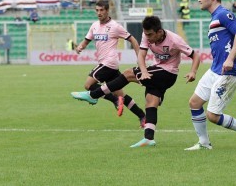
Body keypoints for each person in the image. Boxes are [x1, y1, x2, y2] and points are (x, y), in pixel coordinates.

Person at [72, 15, 200, 147]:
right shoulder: (146, 35)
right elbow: (141, 55)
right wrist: (144, 71)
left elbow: (195, 55)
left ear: (159, 32)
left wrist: (193, 72)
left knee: (128, 73)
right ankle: (148, 138)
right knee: (151, 101)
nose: (147, 37)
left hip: (168, 73)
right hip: (156, 69)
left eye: (150, 35)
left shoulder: (174, 40)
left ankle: (93, 95)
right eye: (146, 34)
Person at [186, 0, 236, 151]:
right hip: (214, 70)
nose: (199, 0)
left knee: (212, 115)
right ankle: (204, 143)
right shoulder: (214, 18)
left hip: (228, 72)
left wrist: (230, 58)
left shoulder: (224, 14)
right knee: (195, 103)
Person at [70, 0, 144, 124]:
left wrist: (139, 59)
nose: (99, 13)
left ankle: (110, 100)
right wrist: (80, 47)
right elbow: (87, 40)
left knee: (88, 85)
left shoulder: (115, 26)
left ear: (107, 10)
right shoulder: (94, 26)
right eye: (97, 10)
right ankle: (142, 116)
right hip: (109, 66)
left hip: (108, 63)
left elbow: (133, 40)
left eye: (101, 10)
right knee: (121, 95)